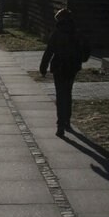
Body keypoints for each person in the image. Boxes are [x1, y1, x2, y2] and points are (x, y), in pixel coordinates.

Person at [39, 9, 90, 137]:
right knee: (68, 93)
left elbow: (49, 51)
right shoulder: (77, 32)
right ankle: (67, 120)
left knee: (60, 95)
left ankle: (60, 124)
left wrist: (43, 67)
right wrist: (81, 59)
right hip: (72, 67)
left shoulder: (57, 33)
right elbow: (86, 49)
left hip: (59, 66)